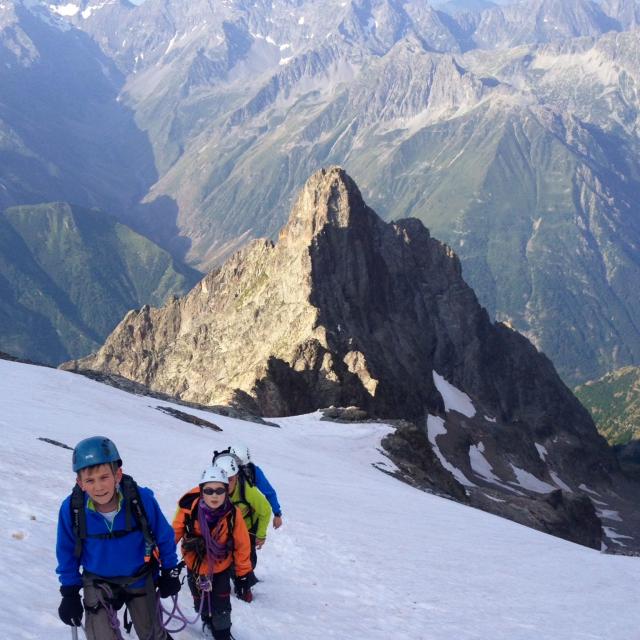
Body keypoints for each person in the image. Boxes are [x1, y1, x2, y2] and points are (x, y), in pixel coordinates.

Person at [56, 436, 181, 640]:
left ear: (118, 475)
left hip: (139, 576)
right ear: (80, 483)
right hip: (97, 581)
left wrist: (169, 570)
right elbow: (66, 552)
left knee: (153, 635)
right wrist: (69, 593)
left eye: (104, 477)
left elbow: (164, 536)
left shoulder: (141, 500)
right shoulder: (72, 509)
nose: (98, 487)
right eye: (90, 480)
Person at [173, 465, 257, 640]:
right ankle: (206, 620)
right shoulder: (189, 510)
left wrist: (242, 575)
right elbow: (173, 533)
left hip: (220, 567)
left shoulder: (233, 515)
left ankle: (222, 633)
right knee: (200, 599)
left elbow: (242, 545)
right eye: (209, 490)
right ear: (202, 491)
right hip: (195, 566)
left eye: (219, 490)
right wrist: (157, 558)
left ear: (226, 491)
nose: (214, 495)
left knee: (221, 602)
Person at [212, 453, 272, 572]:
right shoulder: (210, 490)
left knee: (247, 559)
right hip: (224, 528)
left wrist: (261, 535)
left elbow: (265, 510)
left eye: (231, 479)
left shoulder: (247, 490)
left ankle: (245, 580)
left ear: (237, 477)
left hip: (247, 528)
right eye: (224, 479)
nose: (227, 484)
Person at [228, 443, 283, 530]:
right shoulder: (253, 471)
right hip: (244, 519)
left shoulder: (253, 471)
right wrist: (277, 514)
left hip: (243, 520)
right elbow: (270, 492)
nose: (243, 468)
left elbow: (269, 493)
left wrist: (277, 514)